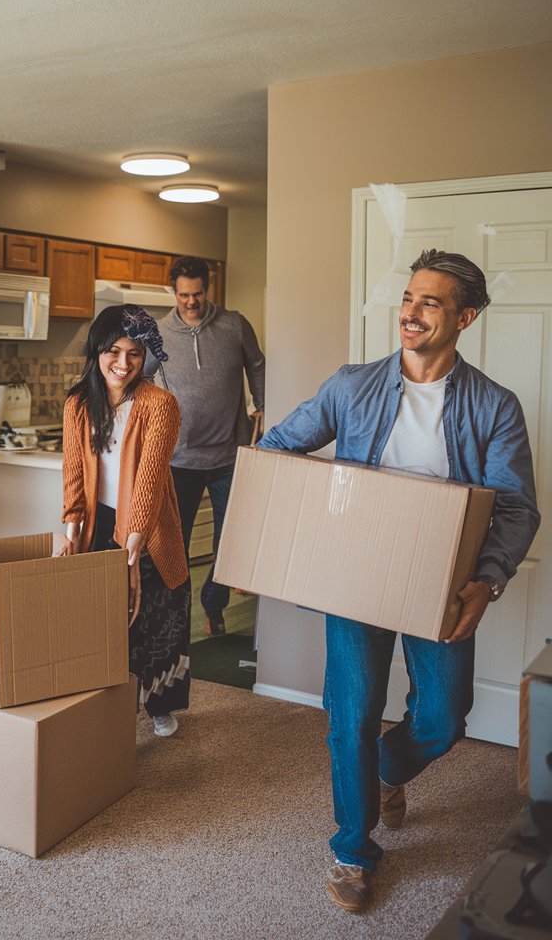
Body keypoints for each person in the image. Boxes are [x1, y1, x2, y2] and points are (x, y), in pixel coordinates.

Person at [259, 250, 540, 913]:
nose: (410, 313)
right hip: (355, 576)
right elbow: (277, 449)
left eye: (430, 303)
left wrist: (488, 582)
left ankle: (386, 771)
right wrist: (306, 534)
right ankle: (353, 850)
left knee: (444, 719)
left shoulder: (494, 405)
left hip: (442, 583)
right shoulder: (351, 385)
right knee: (349, 717)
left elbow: (517, 506)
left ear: (465, 317)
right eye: (409, 299)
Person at [60, 303, 191, 738]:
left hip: (149, 528)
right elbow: (74, 473)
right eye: (113, 352)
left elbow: (150, 480)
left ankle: (159, 706)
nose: (123, 363)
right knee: (102, 622)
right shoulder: (78, 404)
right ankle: (107, 710)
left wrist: (132, 546)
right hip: (99, 523)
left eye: (134, 353)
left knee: (153, 620)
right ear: (97, 352)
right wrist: (71, 528)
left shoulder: (160, 405)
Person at [146, 256, 265, 637]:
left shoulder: (234, 325)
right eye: (183, 295)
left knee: (229, 541)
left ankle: (214, 606)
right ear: (173, 292)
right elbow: (138, 378)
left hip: (230, 455)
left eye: (197, 294)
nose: (191, 302)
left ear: (207, 289)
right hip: (178, 457)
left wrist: (263, 406)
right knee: (173, 544)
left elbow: (258, 365)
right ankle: (175, 616)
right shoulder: (157, 334)